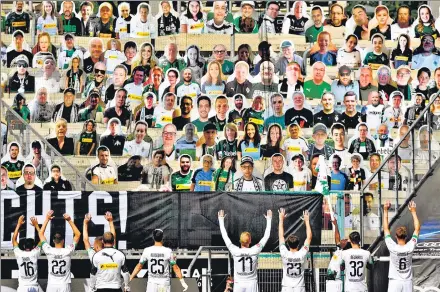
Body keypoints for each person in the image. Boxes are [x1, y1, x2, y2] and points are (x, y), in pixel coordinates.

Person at [218, 208, 271, 289]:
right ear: (250, 241)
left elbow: (225, 236)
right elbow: (266, 236)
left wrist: (221, 220)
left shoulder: (235, 250)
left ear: (240, 241)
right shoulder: (255, 250)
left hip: (239, 283)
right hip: (251, 283)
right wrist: (269, 219)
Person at [35, 210, 80, 292]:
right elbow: (78, 234)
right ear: (63, 240)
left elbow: (40, 234)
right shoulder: (68, 250)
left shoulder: (49, 250)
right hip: (64, 285)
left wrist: (47, 219)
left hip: (52, 285)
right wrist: (69, 220)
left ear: (53, 241)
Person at [384, 200, 420, 292]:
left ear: (396, 236)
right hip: (407, 282)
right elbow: (417, 229)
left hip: (394, 282)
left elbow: (385, 229)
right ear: (406, 236)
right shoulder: (410, 246)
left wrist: (385, 210)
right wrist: (413, 211)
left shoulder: (392, 247)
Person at [278, 208, 312, 292]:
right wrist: (307, 221)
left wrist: (281, 220)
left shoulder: (284, 253)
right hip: (299, 287)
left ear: (288, 244)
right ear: (298, 244)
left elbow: (281, 236)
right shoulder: (302, 253)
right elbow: (309, 237)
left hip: (286, 286)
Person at [12, 214, 41, 292]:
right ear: (34, 246)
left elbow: (14, 240)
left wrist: (18, 224)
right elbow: (42, 239)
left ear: (24, 246)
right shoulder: (35, 253)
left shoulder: (19, 253)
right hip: (33, 287)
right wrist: (36, 226)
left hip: (22, 287)